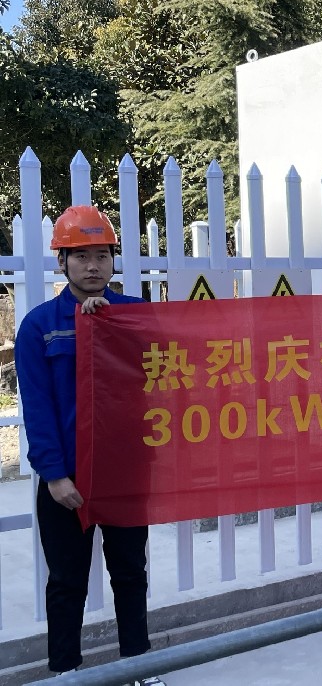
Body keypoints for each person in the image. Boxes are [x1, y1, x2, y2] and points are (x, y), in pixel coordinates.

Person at [14, 206, 164, 684]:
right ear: (62, 262)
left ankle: (138, 667)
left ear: (113, 260)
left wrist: (111, 326)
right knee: (66, 581)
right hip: (67, 478)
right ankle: (65, 673)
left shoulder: (136, 314)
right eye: (81, 256)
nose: (93, 266)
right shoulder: (39, 325)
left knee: (130, 573)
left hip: (125, 471)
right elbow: (37, 407)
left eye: (102, 255)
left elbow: (166, 366)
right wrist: (55, 475)